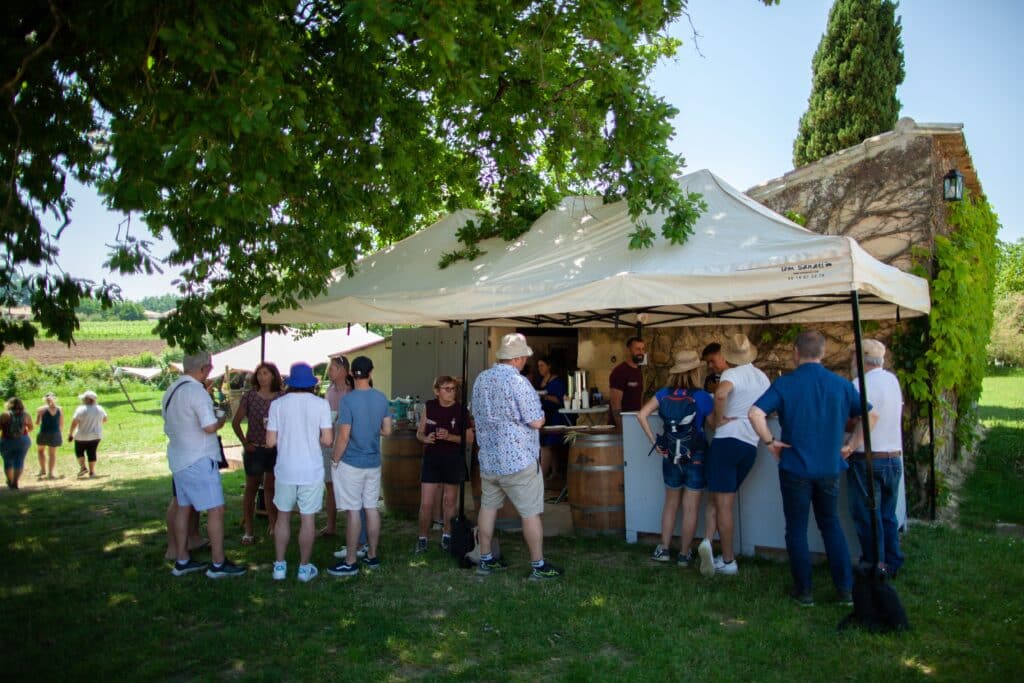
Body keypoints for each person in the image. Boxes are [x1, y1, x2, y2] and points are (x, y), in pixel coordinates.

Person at [749, 330, 872, 607]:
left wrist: (770, 442)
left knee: (796, 528)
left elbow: (754, 413)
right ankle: (845, 590)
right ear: (823, 353)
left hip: (794, 467)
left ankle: (804, 591)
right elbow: (868, 414)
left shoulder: (786, 383)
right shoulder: (840, 384)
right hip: (829, 467)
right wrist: (851, 445)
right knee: (831, 525)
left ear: (795, 352)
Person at [471, 333, 562, 580]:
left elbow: (475, 413)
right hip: (517, 459)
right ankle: (538, 565)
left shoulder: (481, 379)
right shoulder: (519, 383)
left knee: (488, 508)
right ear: (519, 358)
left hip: (489, 458)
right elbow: (537, 421)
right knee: (530, 512)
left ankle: (486, 559)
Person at [163, 351, 246, 578]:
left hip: (179, 457)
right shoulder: (196, 391)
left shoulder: (171, 390)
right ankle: (218, 563)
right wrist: (221, 419)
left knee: (183, 507)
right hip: (199, 457)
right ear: (204, 369)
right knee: (216, 509)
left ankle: (182, 559)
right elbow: (209, 426)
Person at [638, 350, 717, 567]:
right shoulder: (701, 396)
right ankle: (684, 554)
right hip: (696, 454)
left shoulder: (663, 393)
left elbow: (641, 414)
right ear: (695, 371)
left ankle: (663, 549)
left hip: (670, 454)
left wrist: (654, 442)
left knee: (671, 504)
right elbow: (714, 425)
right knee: (690, 507)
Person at [701, 333, 770, 577]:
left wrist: (719, 419)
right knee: (723, 502)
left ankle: (728, 560)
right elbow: (768, 410)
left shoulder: (731, 374)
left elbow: (720, 395)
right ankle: (716, 549)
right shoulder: (762, 377)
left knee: (724, 505)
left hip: (727, 442)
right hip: (750, 445)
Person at [266, 362, 334, 583]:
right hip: (311, 469)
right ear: (312, 384)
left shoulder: (278, 405)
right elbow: (327, 440)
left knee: (282, 517)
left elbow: (270, 441)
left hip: (285, 468)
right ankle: (304, 568)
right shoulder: (320, 405)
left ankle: (279, 566)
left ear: (290, 383)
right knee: (308, 519)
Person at [845, 339, 905, 578]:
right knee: (887, 515)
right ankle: (892, 561)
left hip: (867, 457)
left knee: (867, 516)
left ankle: (874, 564)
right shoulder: (892, 380)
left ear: (859, 361)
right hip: (893, 456)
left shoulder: (859, 384)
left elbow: (854, 419)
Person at [327, 356, 392, 577]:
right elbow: (387, 431)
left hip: (352, 463)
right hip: (373, 462)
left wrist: (335, 459)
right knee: (371, 508)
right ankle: (372, 556)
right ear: (371, 372)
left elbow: (343, 436)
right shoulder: (381, 398)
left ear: (351, 374)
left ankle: (351, 560)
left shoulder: (348, 400)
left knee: (353, 510)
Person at [414, 375, 468, 553]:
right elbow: (419, 433)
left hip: (452, 459)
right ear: (437, 391)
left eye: (453, 389)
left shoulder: (461, 410)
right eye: (447, 389)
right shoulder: (429, 407)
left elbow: (469, 439)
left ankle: (447, 535)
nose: (451, 392)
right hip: (432, 459)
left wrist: (450, 437)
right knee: (427, 503)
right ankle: (422, 538)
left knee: (450, 501)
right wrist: (425, 438)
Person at [231, 362, 283, 545]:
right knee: (251, 488)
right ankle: (249, 530)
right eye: (259, 373)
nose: (262, 377)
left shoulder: (281, 397)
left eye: (266, 373)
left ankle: (273, 524)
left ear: (273, 376)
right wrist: (245, 443)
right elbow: (236, 422)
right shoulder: (250, 397)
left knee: (271, 487)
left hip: (274, 449)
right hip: (254, 448)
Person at [321, 355, 351, 539]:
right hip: (327, 442)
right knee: (330, 485)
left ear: (343, 370)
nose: (329, 371)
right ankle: (330, 526)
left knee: (348, 487)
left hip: (347, 444)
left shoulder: (352, 391)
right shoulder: (329, 390)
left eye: (332, 368)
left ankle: (351, 526)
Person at [535, 357, 570, 480]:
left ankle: (542, 477)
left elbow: (562, 400)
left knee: (549, 445)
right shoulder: (540, 381)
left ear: (549, 366)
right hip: (544, 416)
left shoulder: (557, 382)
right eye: (538, 366)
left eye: (542, 365)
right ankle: (554, 471)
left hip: (555, 416)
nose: (540, 368)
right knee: (548, 445)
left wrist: (546, 397)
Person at [68, 390, 108, 478]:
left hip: (81, 435)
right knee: (92, 452)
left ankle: (83, 467)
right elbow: (105, 419)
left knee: (79, 452)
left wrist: (70, 433)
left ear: (87, 400)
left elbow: (74, 422)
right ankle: (92, 472)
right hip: (96, 435)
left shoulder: (81, 409)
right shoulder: (100, 409)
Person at [609, 336, 646, 429]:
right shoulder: (620, 371)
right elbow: (615, 404)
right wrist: (621, 428)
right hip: (622, 425)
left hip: (634, 423)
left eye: (642, 349)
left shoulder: (638, 371)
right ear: (628, 350)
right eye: (637, 349)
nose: (641, 352)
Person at [1, 397, 33, 490]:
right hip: (23, 440)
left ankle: (10, 481)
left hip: (7, 440)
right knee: (19, 461)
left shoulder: (5, 415)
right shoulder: (26, 415)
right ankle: (15, 481)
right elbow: (30, 428)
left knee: (8, 461)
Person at [35, 392, 63, 478]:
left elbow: (37, 422)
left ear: (45, 399)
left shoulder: (40, 409)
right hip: (55, 433)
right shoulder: (60, 409)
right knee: (52, 454)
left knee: (40, 451)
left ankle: (43, 470)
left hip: (43, 432)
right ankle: (51, 473)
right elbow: (61, 423)